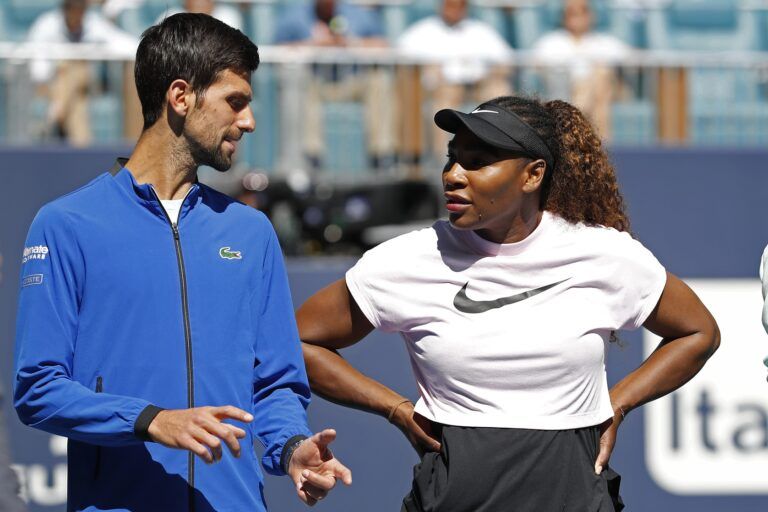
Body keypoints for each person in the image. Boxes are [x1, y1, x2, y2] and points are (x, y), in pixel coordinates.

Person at [296, 95, 720, 510]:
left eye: (478, 161)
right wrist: (395, 409)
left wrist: (620, 403)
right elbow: (298, 342)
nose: (454, 175)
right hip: (452, 497)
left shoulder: (605, 254)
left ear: (533, 175)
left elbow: (698, 332)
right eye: (452, 157)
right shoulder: (406, 259)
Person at [14, 13, 350, 512]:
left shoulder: (252, 233)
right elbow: (38, 388)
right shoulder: (65, 224)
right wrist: (152, 419)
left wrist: (291, 448)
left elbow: (276, 383)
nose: (249, 121)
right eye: (235, 102)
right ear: (181, 96)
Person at [273, 0, 396, 170]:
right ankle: (312, 157)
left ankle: (381, 156)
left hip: (352, 81)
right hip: (317, 82)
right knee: (303, 84)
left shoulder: (358, 13)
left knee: (379, 80)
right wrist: (315, 45)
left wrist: (350, 43)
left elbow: (383, 44)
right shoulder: (294, 15)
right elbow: (277, 49)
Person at [397, 0, 512, 162]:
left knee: (500, 91)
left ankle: (501, 152)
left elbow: (506, 62)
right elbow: (401, 61)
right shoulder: (422, 32)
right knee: (443, 103)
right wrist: (430, 72)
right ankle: (445, 159)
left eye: (460, 5)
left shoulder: (481, 31)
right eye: (450, 5)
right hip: (441, 88)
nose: (455, 10)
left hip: (477, 85)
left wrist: (491, 73)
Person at [27, 0, 138, 145]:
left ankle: (55, 113)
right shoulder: (46, 26)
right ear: (65, 10)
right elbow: (39, 72)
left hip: (86, 88)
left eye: (81, 10)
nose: (77, 16)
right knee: (71, 84)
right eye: (74, 9)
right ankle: (81, 146)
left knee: (77, 69)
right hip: (51, 88)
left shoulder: (93, 24)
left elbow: (126, 44)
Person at [532, 0, 631, 140]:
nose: (577, 17)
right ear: (564, 16)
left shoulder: (605, 42)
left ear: (591, 16)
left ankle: (583, 123)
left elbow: (633, 59)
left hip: (600, 95)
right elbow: (537, 65)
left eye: (583, 11)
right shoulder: (551, 42)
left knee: (601, 76)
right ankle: (600, 140)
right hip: (564, 90)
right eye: (572, 12)